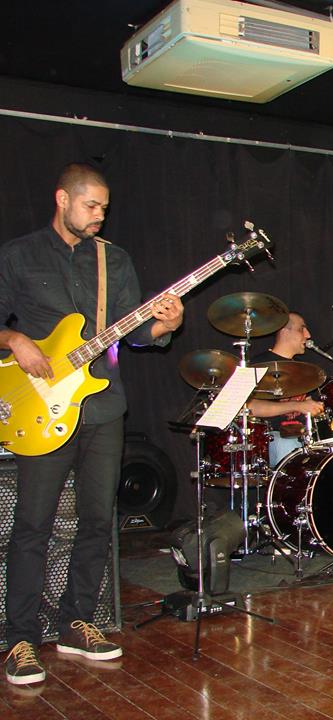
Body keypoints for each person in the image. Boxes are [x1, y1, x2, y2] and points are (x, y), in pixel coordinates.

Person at [0, 163, 184, 685]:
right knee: (33, 524)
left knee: (98, 522)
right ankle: (20, 639)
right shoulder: (19, 254)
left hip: (103, 405)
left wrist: (165, 326)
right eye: (91, 206)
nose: (100, 215)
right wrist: (14, 340)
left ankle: (76, 622)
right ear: (62, 199)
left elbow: (134, 332)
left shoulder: (114, 260)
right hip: (41, 406)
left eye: (104, 207)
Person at [247, 312, 326, 466]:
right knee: (288, 445)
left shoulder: (304, 369)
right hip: (270, 438)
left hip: (303, 437)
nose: (308, 335)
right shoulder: (258, 365)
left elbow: (308, 404)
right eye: (302, 329)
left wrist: (316, 409)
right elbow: (249, 407)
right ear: (284, 331)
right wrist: (297, 406)